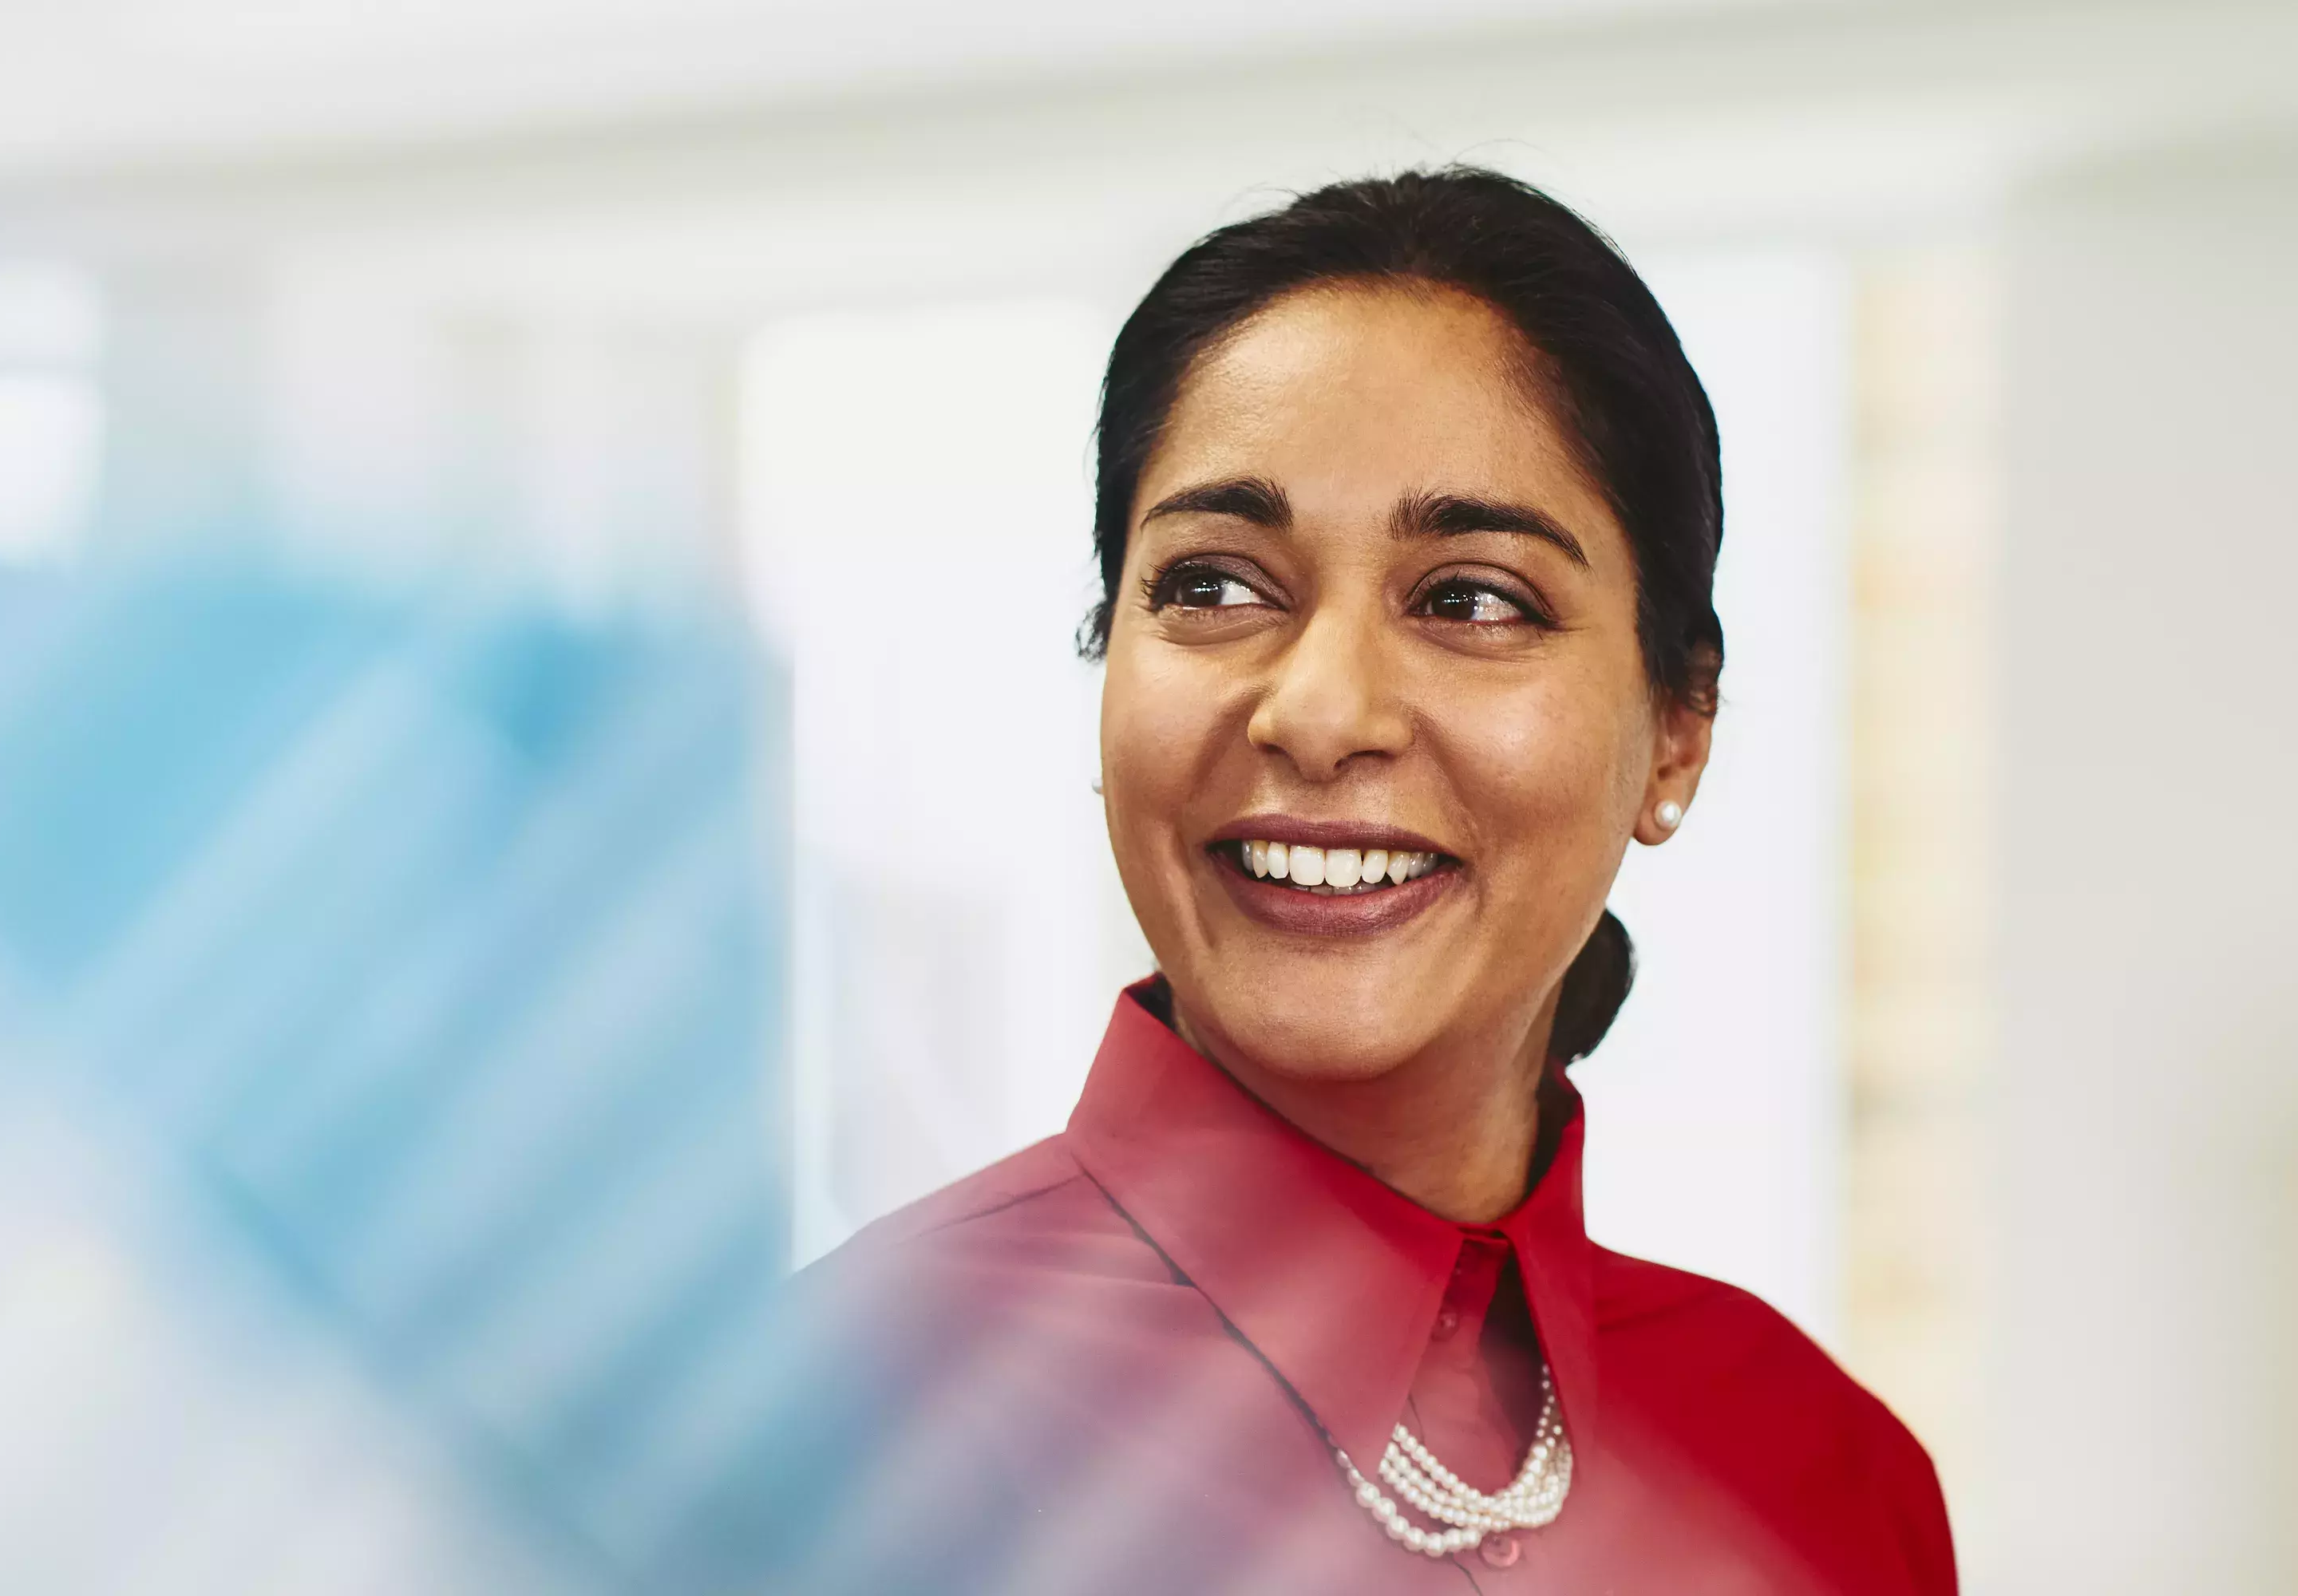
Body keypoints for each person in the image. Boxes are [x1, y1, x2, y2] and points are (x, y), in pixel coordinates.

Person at [677, 168, 1956, 1594]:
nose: (1321, 708)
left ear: (1677, 731)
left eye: (1473, 599)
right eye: (1215, 586)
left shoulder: (1816, 1468)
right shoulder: (823, 1428)